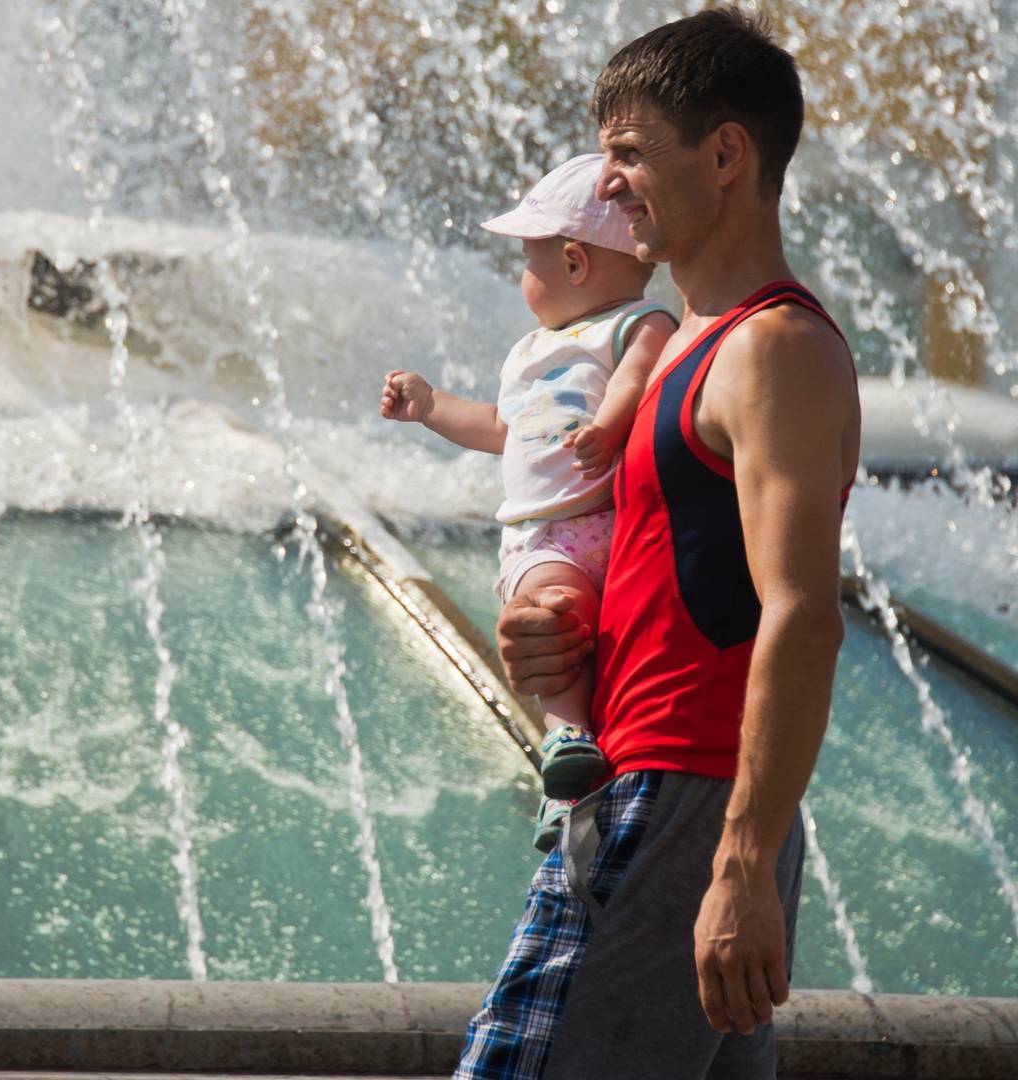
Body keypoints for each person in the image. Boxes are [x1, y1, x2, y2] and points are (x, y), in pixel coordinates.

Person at [455, 8, 860, 1078]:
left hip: (683, 801)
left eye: (630, 154)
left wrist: (741, 861)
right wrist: (560, 642)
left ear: (726, 155)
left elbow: (802, 614)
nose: (611, 182)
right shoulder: (686, 346)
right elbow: (674, 580)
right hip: (661, 790)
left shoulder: (773, 349)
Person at [380, 152, 675, 853]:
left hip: (600, 520)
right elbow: (500, 428)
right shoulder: (530, 353)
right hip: (545, 535)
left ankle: (569, 748)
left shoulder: (639, 323)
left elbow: (635, 380)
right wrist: (431, 407)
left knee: (553, 623)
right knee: (549, 618)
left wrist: (607, 426)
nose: (523, 276)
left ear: (574, 263)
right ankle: (567, 759)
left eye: (528, 259)